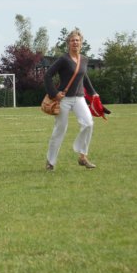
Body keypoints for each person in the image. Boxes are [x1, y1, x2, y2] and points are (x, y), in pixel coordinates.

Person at [44, 29, 98, 171]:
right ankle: (50, 162)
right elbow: (47, 75)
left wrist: (93, 93)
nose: (75, 42)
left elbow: (83, 77)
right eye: (72, 40)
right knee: (60, 129)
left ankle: (82, 157)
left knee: (88, 123)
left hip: (79, 98)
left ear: (81, 43)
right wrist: (54, 93)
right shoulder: (64, 59)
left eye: (77, 40)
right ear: (68, 43)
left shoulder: (84, 59)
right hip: (64, 99)